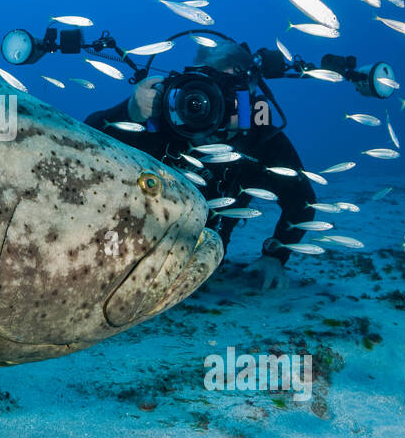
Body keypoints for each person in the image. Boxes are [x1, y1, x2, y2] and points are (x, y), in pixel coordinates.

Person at [85, 40, 316, 290]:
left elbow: (301, 201)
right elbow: (86, 144)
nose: (208, 101)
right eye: (204, 86)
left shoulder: (260, 141)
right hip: (121, 247)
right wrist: (127, 112)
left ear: (249, 95)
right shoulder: (157, 118)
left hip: (198, 261)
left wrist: (275, 256)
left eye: (229, 91)